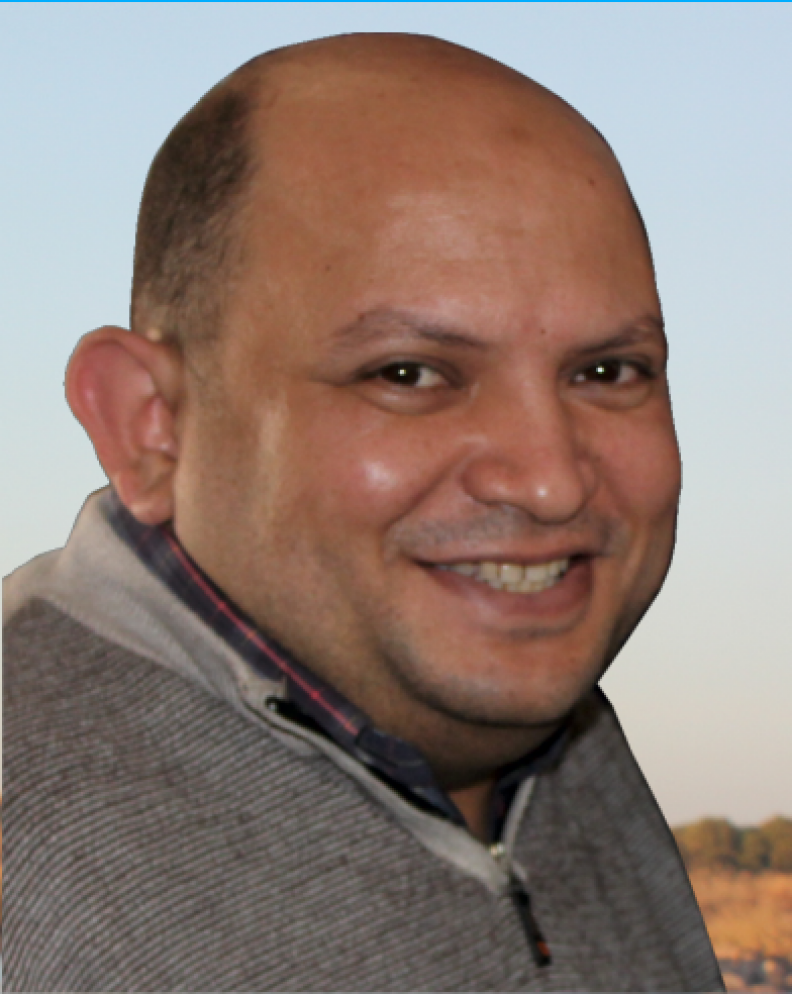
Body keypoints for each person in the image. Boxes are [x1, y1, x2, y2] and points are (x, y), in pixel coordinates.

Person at [3, 33, 723, 993]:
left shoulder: (528, 732)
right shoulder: (34, 837)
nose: (551, 482)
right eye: (409, 374)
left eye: (606, 372)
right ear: (151, 427)